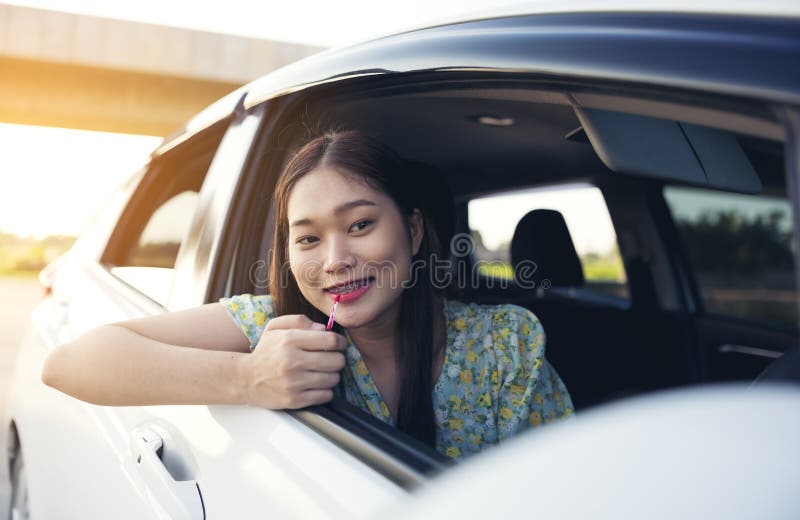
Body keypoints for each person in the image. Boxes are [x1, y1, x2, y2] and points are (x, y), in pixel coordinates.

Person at [42, 129, 573, 462]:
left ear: (413, 233)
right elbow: (69, 364)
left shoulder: (504, 345)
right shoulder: (274, 327)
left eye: (360, 224)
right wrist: (247, 378)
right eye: (308, 238)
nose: (335, 259)